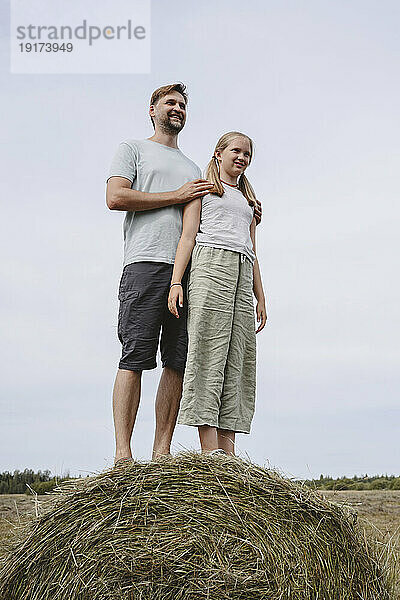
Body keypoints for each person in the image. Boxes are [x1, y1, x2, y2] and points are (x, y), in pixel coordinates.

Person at [106, 83, 215, 465]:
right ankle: (123, 455)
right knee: (135, 354)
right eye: (170, 102)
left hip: (187, 272)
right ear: (152, 110)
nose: (178, 108)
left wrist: (246, 208)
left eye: (183, 104)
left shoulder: (193, 168)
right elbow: (116, 198)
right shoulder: (133, 149)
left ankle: (161, 453)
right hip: (144, 263)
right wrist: (178, 194)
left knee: (177, 360)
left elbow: (199, 221)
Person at [168, 131, 267, 456]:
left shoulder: (250, 202)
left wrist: (260, 297)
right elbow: (188, 237)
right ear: (219, 153)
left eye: (247, 154)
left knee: (237, 358)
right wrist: (176, 282)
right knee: (208, 351)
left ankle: (228, 451)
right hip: (211, 267)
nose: (242, 158)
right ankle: (209, 450)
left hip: (241, 271)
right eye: (236, 151)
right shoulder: (205, 190)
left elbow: (252, 250)